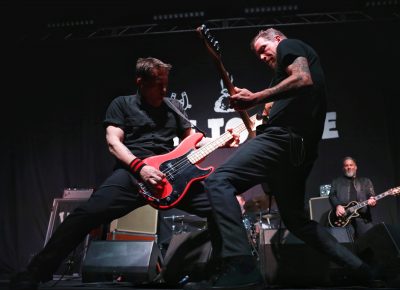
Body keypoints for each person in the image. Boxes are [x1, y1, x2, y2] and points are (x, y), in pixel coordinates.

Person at [9, 57, 239, 290]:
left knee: (219, 204)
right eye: (158, 84)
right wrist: (141, 168)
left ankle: (222, 271)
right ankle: (35, 272)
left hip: (171, 176)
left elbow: (193, 142)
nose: (164, 89)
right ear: (140, 81)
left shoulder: (173, 106)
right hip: (132, 174)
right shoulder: (122, 104)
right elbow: (113, 143)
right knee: (85, 215)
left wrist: (223, 141)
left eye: (166, 83)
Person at [184, 28, 378, 290]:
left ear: (276, 38)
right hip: (299, 150)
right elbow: (291, 90)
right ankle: (362, 270)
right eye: (258, 56)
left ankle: (241, 267)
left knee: (219, 181)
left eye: (263, 50)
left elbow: (302, 78)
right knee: (297, 221)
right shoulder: (283, 84)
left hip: (282, 140)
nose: (262, 57)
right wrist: (259, 103)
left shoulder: (290, 45)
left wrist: (255, 97)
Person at [329, 156, 376, 239]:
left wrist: (373, 201)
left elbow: (371, 195)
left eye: (351, 165)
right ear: (343, 168)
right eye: (346, 165)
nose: (349, 167)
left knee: (370, 241)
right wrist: (338, 206)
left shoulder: (365, 181)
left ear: (355, 167)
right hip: (344, 217)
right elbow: (332, 195)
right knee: (346, 246)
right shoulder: (336, 181)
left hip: (363, 218)